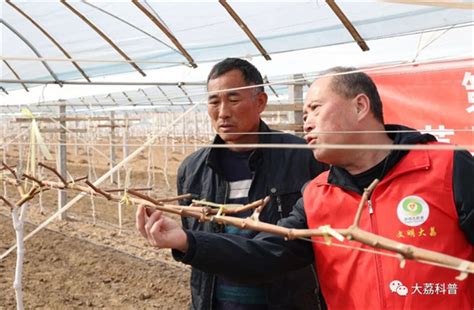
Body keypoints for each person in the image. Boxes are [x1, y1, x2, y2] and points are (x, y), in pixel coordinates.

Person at [137, 67, 473, 309]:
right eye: (303, 112)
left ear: (360, 106)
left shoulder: (446, 166)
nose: (305, 121)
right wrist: (185, 240)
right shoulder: (317, 194)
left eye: (315, 109)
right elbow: (262, 254)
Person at [140, 58, 327, 309]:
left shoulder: (303, 157)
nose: (223, 112)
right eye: (214, 101)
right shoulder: (193, 170)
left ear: (260, 102)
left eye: (234, 100)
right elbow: (197, 245)